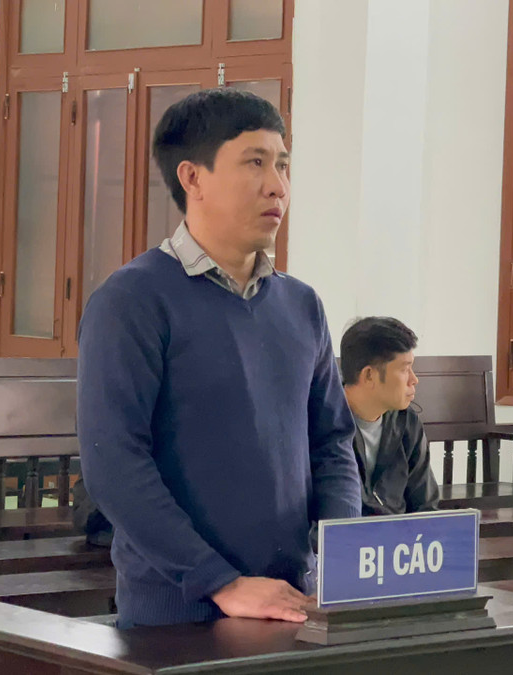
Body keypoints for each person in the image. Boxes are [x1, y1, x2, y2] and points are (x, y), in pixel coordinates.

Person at [77, 88, 361, 629]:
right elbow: (113, 463)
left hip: (294, 604)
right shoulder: (133, 299)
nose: (277, 186)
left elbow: (332, 443)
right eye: (255, 162)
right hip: (178, 617)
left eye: (282, 165)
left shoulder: (301, 304)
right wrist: (221, 583)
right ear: (193, 178)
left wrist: (338, 555)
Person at [340, 317, 441, 516]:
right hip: (343, 535)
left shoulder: (407, 422)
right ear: (369, 375)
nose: (414, 379)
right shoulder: (322, 424)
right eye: (404, 369)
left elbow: (426, 507)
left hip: (399, 535)